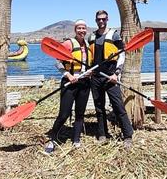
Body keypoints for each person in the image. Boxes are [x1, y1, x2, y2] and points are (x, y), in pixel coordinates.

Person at [44, 19, 92, 154]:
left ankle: (76, 139)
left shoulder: (88, 45)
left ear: (86, 30)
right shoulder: (68, 43)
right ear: (75, 30)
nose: (81, 30)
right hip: (69, 82)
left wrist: (90, 72)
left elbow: (89, 64)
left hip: (84, 83)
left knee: (80, 113)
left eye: (83, 28)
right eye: (79, 28)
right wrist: (68, 75)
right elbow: (58, 62)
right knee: (64, 114)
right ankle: (52, 139)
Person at [88, 10, 133, 148]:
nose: (101, 21)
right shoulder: (91, 36)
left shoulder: (114, 35)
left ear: (107, 19)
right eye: (99, 19)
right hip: (96, 77)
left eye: (103, 19)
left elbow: (122, 54)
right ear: (96, 20)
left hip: (110, 76)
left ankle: (127, 135)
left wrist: (117, 73)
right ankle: (102, 134)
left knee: (118, 106)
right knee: (99, 107)